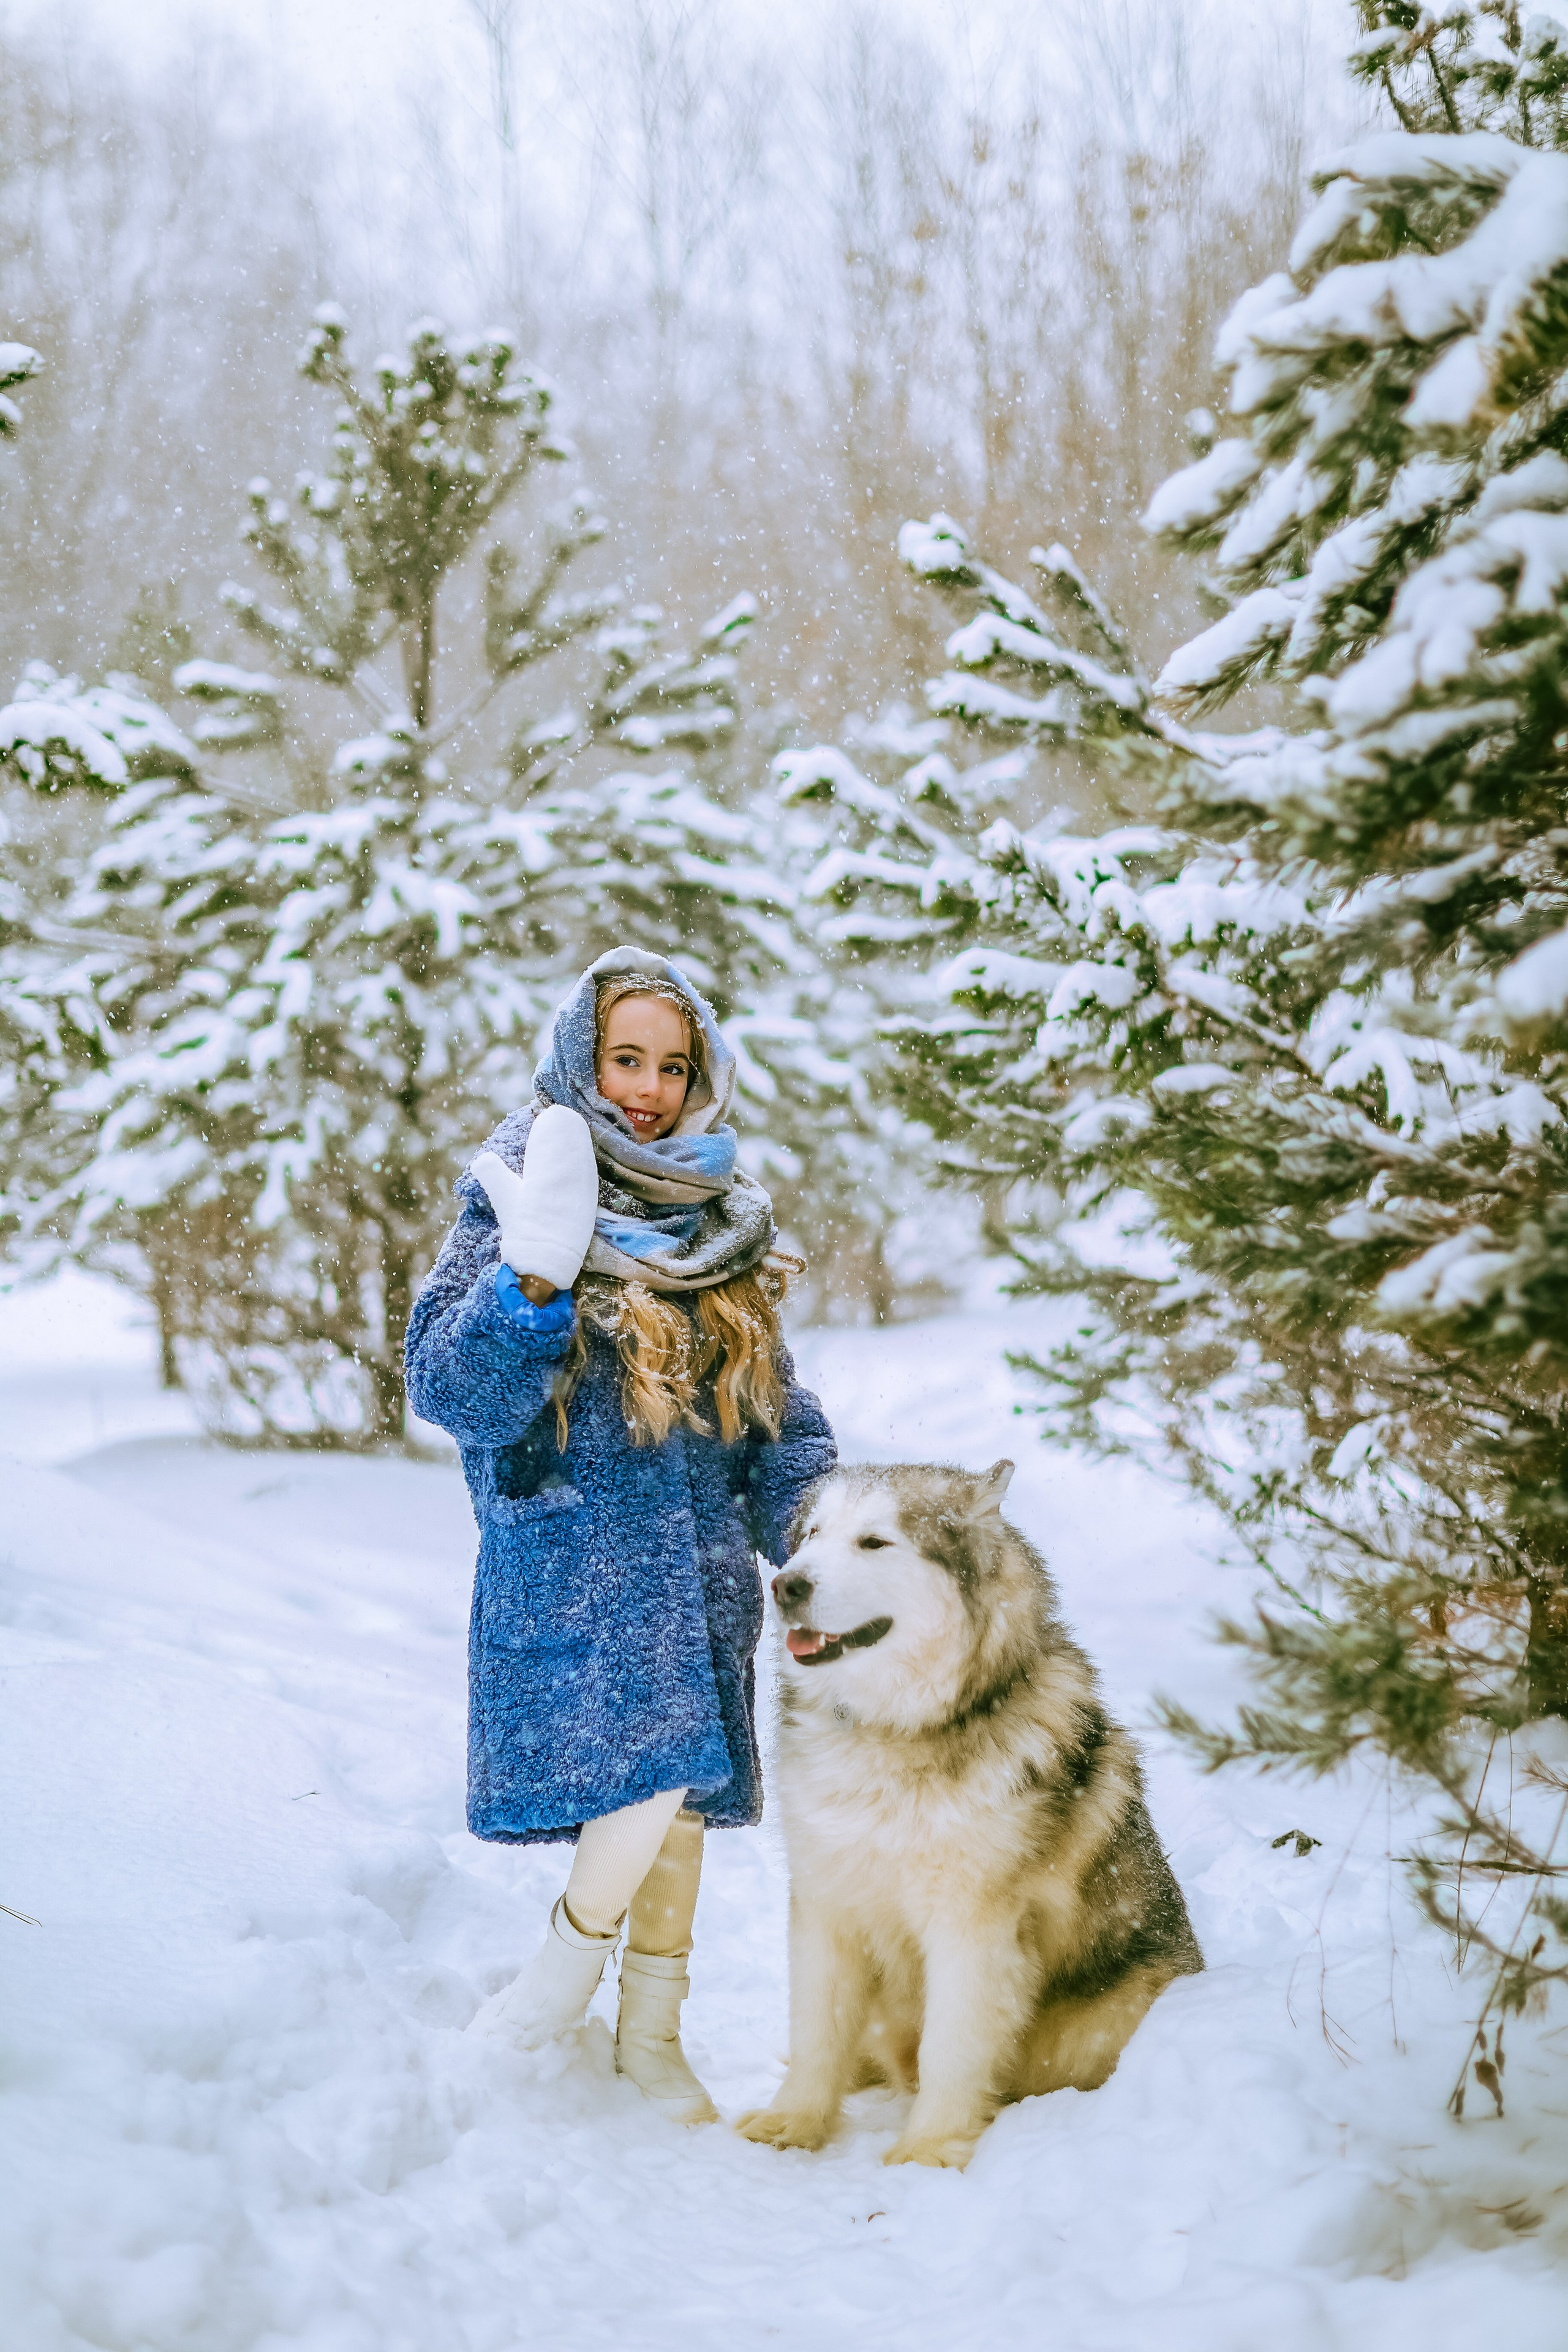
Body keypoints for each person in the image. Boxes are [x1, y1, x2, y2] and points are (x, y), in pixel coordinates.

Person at [405, 945, 837, 2124]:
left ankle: (653, 2035)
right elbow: (450, 1391)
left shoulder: (720, 1217)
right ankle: (546, 1999)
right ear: (579, 1060)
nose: (647, 1089)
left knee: (674, 1799)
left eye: (672, 1065)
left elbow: (774, 1413)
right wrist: (531, 1286)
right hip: (578, 1557)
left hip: (697, 1564)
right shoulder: (519, 1186)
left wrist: (818, 1528)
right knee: (649, 1780)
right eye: (624, 1058)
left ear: (703, 1077)